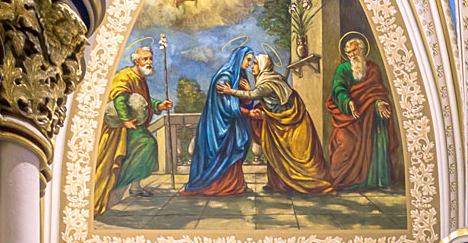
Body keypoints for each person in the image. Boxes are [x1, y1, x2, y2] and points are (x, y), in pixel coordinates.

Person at [233, 50, 332, 194]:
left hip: (291, 123)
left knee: (297, 155)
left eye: (255, 63)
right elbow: (269, 100)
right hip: (281, 123)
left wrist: (230, 91)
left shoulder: (267, 83)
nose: (252, 67)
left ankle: (309, 183)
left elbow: (253, 95)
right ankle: (279, 184)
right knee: (277, 152)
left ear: (263, 66)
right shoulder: (273, 78)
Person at [91, 43, 171, 215]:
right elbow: (120, 99)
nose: (149, 62)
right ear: (137, 61)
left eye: (150, 59)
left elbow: (143, 101)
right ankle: (125, 184)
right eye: (145, 59)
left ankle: (135, 185)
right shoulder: (125, 76)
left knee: (147, 145)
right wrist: (126, 120)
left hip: (131, 123)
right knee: (146, 144)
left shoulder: (139, 78)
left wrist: (159, 105)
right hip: (119, 127)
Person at [325, 33, 400, 192]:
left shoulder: (373, 68)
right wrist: (348, 102)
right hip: (348, 116)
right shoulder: (343, 69)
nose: (351, 55)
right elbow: (338, 89)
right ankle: (343, 180)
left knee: (381, 122)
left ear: (363, 50)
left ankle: (376, 179)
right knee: (345, 143)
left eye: (354, 51)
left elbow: (377, 90)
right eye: (348, 53)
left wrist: (379, 102)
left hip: (369, 115)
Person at [183, 43, 255, 196]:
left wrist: (249, 93)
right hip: (220, 126)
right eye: (247, 60)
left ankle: (236, 186)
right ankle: (215, 187)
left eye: (251, 61)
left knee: (234, 154)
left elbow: (246, 102)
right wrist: (248, 113)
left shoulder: (240, 77)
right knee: (221, 156)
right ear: (239, 58)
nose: (249, 64)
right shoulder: (224, 78)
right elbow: (226, 106)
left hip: (235, 126)